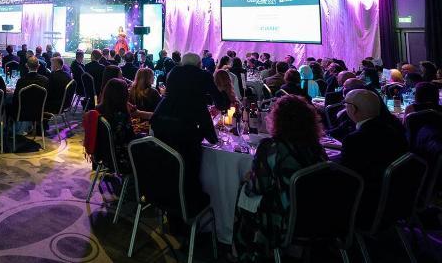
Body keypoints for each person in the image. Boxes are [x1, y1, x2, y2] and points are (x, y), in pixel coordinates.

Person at [233, 95, 328, 261]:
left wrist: (249, 178)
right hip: (316, 214)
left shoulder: (271, 147)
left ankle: (244, 249)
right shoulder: (318, 149)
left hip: (282, 218)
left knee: (242, 194)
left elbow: (256, 189)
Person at [151, 52, 229, 210]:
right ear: (199, 64)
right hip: (184, 126)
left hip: (161, 119)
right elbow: (218, 103)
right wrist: (224, 95)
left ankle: (169, 202)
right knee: (189, 166)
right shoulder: (203, 75)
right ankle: (189, 205)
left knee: (169, 161)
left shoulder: (173, 72)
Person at [339, 89, 408, 226]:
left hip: (366, 205)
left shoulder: (354, 140)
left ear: (353, 109)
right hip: (397, 200)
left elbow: (346, 180)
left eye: (345, 104)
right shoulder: (394, 132)